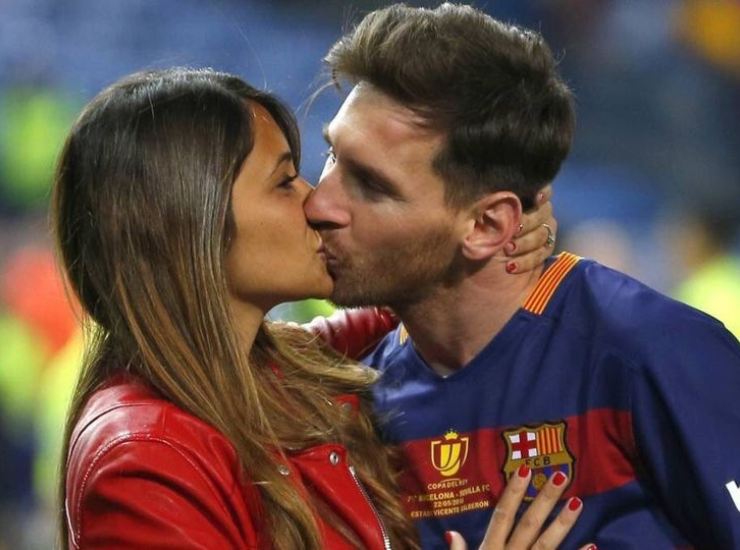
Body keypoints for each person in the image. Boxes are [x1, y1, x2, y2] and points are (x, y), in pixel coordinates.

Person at [53, 67, 586, 549]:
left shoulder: (281, 369)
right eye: (285, 182)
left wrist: (482, 234)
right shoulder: (145, 456)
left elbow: (423, 303)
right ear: (192, 224)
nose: (316, 202)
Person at [304, 4, 740, 549]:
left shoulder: (651, 354)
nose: (318, 202)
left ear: (487, 225)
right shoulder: (344, 400)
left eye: (371, 184)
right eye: (332, 156)